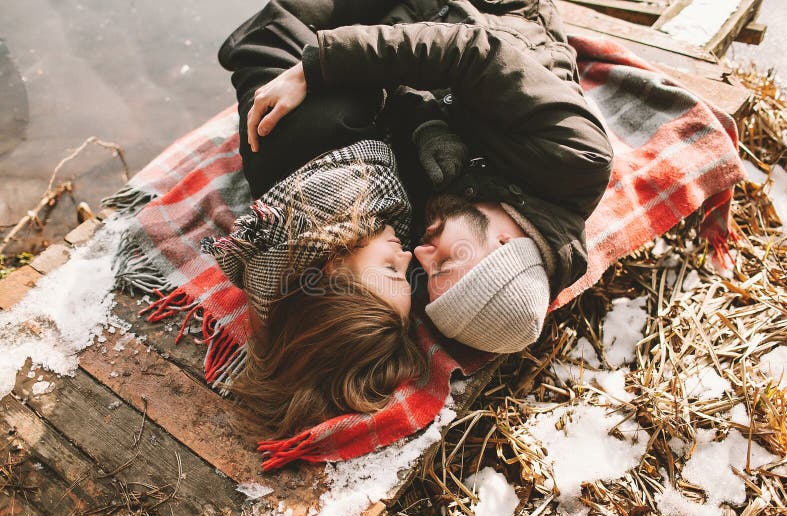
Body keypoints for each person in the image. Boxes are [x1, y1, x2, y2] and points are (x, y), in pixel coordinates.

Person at [224, 0, 614, 354]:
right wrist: (318, 65)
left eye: (424, 275)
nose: (419, 254)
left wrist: (425, 123)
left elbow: (401, 99)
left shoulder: (449, 220)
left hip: (410, 25)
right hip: (485, 14)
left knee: (293, 31)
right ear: (503, 243)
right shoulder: (577, 158)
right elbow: (467, 54)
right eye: (444, 262)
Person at [201, 139, 429, 438]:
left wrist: (305, 87)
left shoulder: (293, 150)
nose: (410, 255)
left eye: (391, 270)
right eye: (404, 273)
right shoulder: (393, 206)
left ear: (332, 269)